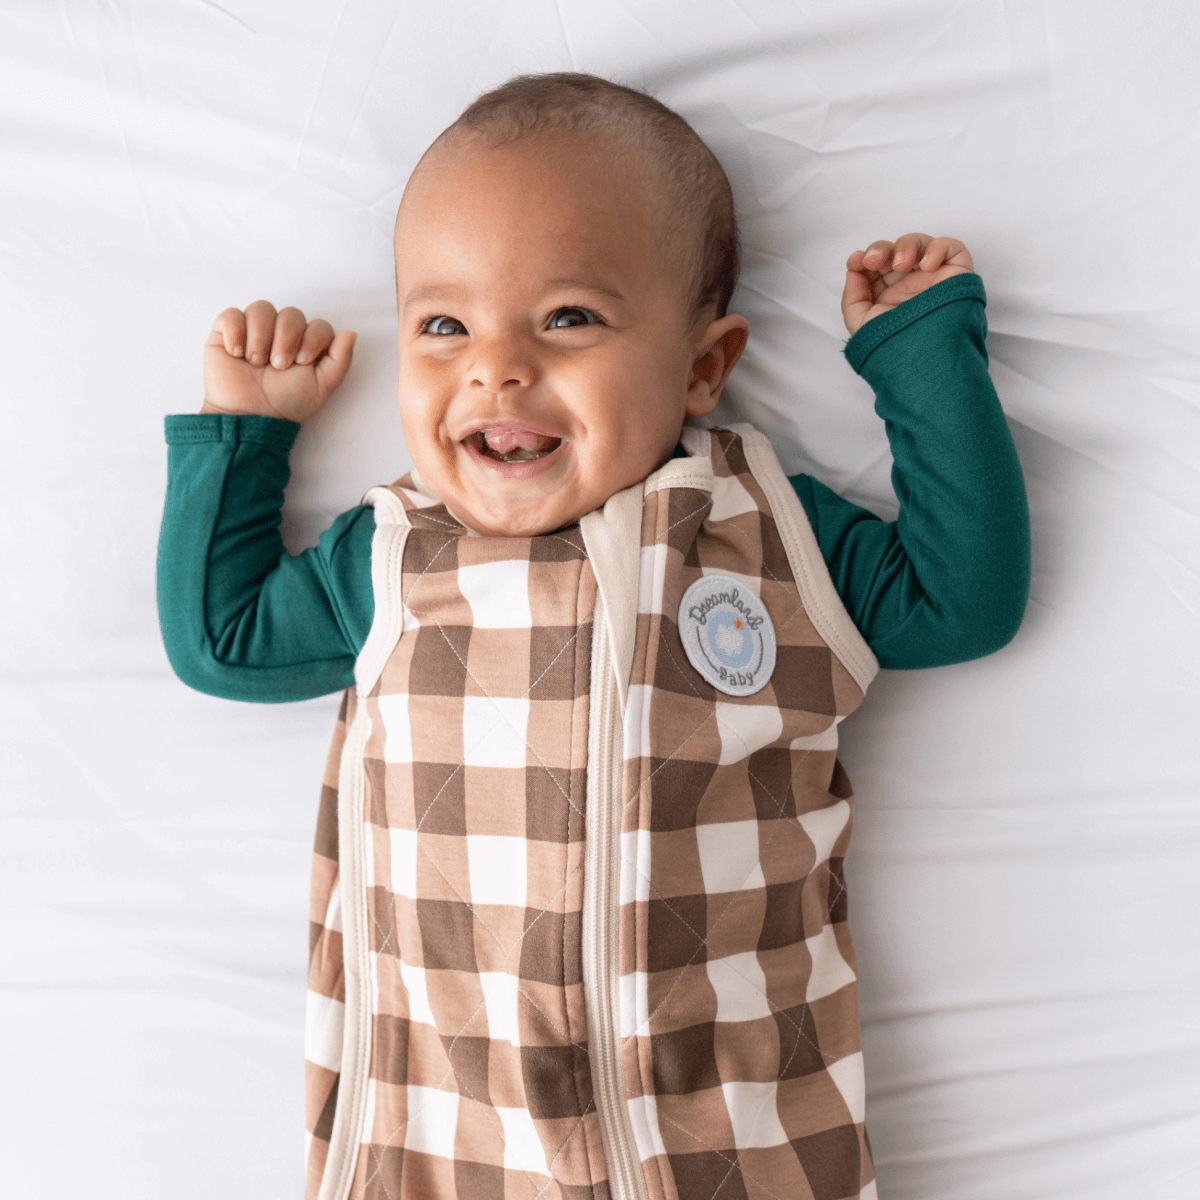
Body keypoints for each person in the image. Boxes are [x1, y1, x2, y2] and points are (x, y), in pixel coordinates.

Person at [158, 73, 1028, 1200]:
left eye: (567, 317)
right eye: (443, 325)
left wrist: (921, 358)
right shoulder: (389, 560)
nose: (495, 366)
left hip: (739, 1145)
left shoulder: (764, 531)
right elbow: (222, 641)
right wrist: (244, 433)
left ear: (703, 367)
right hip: (444, 1139)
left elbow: (963, 598)